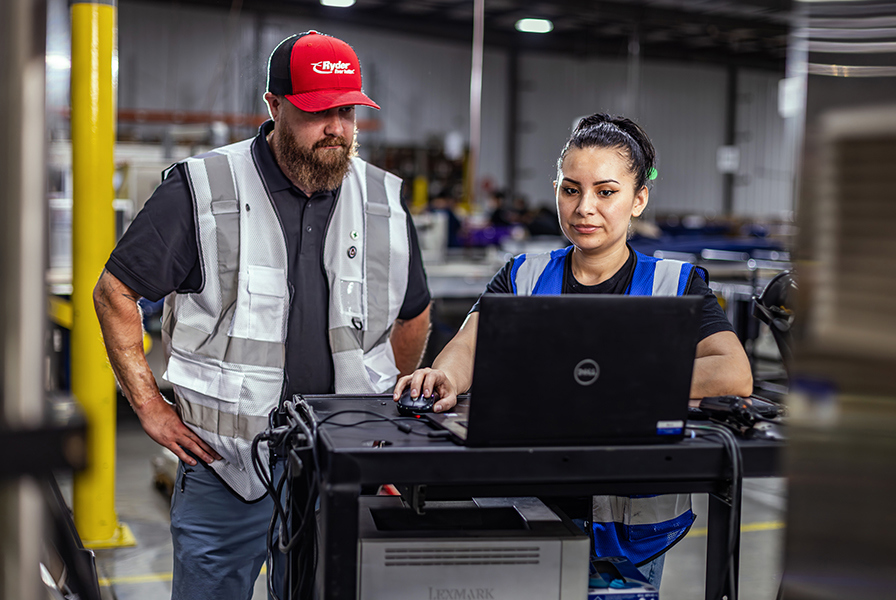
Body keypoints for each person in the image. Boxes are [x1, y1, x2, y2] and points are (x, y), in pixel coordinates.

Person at [93, 30, 432, 599]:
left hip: (339, 465)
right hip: (224, 464)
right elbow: (115, 291)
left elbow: (413, 313)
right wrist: (148, 406)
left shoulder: (382, 199)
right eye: (318, 111)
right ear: (273, 106)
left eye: (346, 111)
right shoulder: (201, 189)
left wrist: (382, 419)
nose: (337, 129)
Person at [393, 113, 752, 589]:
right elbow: (469, 346)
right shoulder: (523, 274)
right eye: (570, 189)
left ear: (638, 199)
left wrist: (622, 380)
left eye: (606, 192)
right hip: (527, 501)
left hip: (628, 523)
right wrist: (445, 377)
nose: (585, 207)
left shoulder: (677, 284)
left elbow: (732, 373)